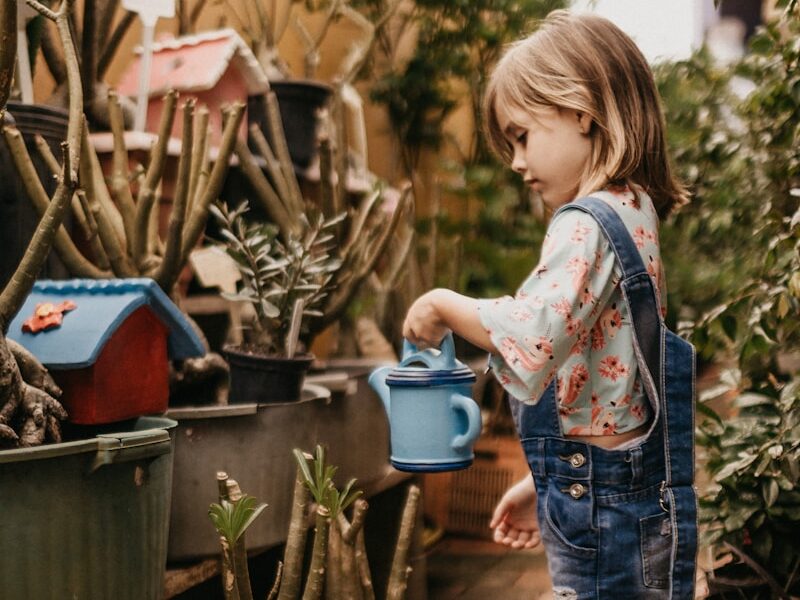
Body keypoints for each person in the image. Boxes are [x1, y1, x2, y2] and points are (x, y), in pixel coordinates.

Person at [402, 10, 699, 599]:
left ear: (581, 111)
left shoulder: (586, 222)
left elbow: (534, 335)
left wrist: (441, 304)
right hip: (623, 492)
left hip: (602, 507)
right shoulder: (633, 207)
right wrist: (548, 487)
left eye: (522, 135)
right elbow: (607, 395)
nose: (516, 161)